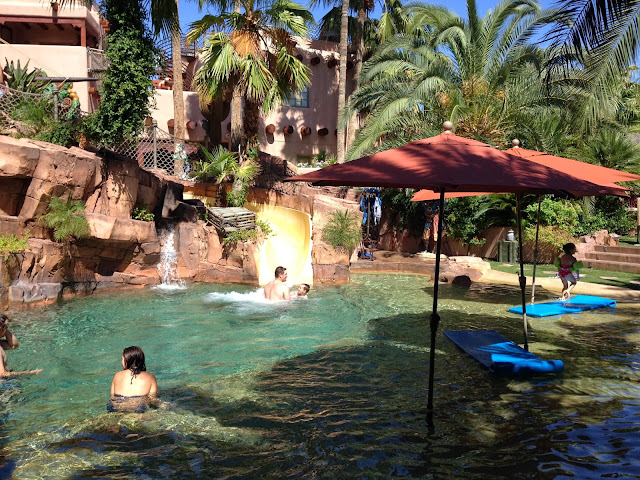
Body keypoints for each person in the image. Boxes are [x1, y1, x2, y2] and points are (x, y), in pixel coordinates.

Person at [109, 346, 157, 412]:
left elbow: (112, 396)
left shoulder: (117, 375)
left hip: (117, 406)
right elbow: (152, 399)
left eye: (122, 359)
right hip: (138, 408)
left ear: (126, 360)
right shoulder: (150, 377)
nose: (121, 362)